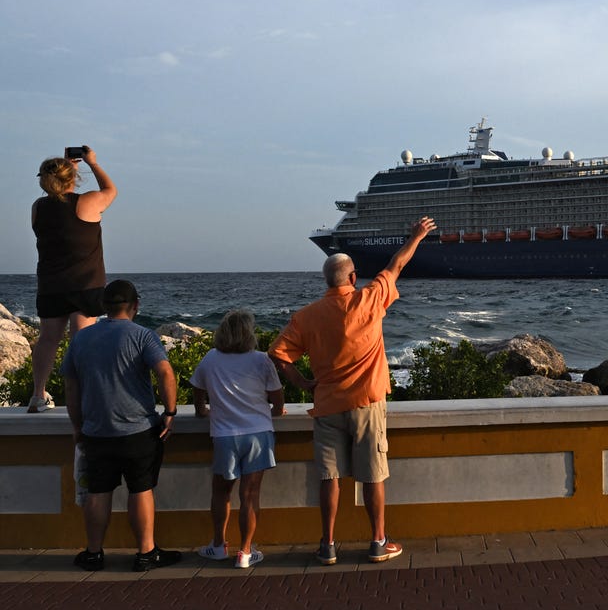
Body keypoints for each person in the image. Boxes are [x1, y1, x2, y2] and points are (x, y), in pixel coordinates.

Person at [269, 216, 436, 565]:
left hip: (328, 405)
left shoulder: (306, 316)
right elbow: (396, 264)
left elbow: (278, 355)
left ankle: (327, 545)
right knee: (373, 475)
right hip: (366, 403)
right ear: (352, 278)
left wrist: (302, 382)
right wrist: (417, 235)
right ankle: (378, 541)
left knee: (329, 478)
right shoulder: (370, 300)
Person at [61, 279, 181, 572]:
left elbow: (71, 388)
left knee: (98, 491)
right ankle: (146, 553)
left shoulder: (81, 339)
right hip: (138, 430)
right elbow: (165, 373)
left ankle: (93, 553)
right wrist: (170, 411)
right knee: (140, 490)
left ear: (104, 306)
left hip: (96, 430)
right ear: (135, 305)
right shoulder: (143, 336)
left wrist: (78, 425)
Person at [192, 310, 285, 569]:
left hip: (224, 436)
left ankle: (219, 544)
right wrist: (275, 412)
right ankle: (245, 552)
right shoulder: (260, 360)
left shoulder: (211, 359)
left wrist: (202, 410)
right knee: (250, 495)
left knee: (221, 493)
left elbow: (197, 389)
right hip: (257, 435)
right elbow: (277, 401)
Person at [29, 146, 117, 412]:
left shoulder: (37, 208)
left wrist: (68, 171)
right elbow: (111, 191)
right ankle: (84, 396)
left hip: (51, 285)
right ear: (71, 178)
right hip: (85, 284)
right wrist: (92, 163)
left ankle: (38, 396)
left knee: (47, 340)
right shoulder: (86, 202)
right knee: (83, 341)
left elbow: (58, 201)